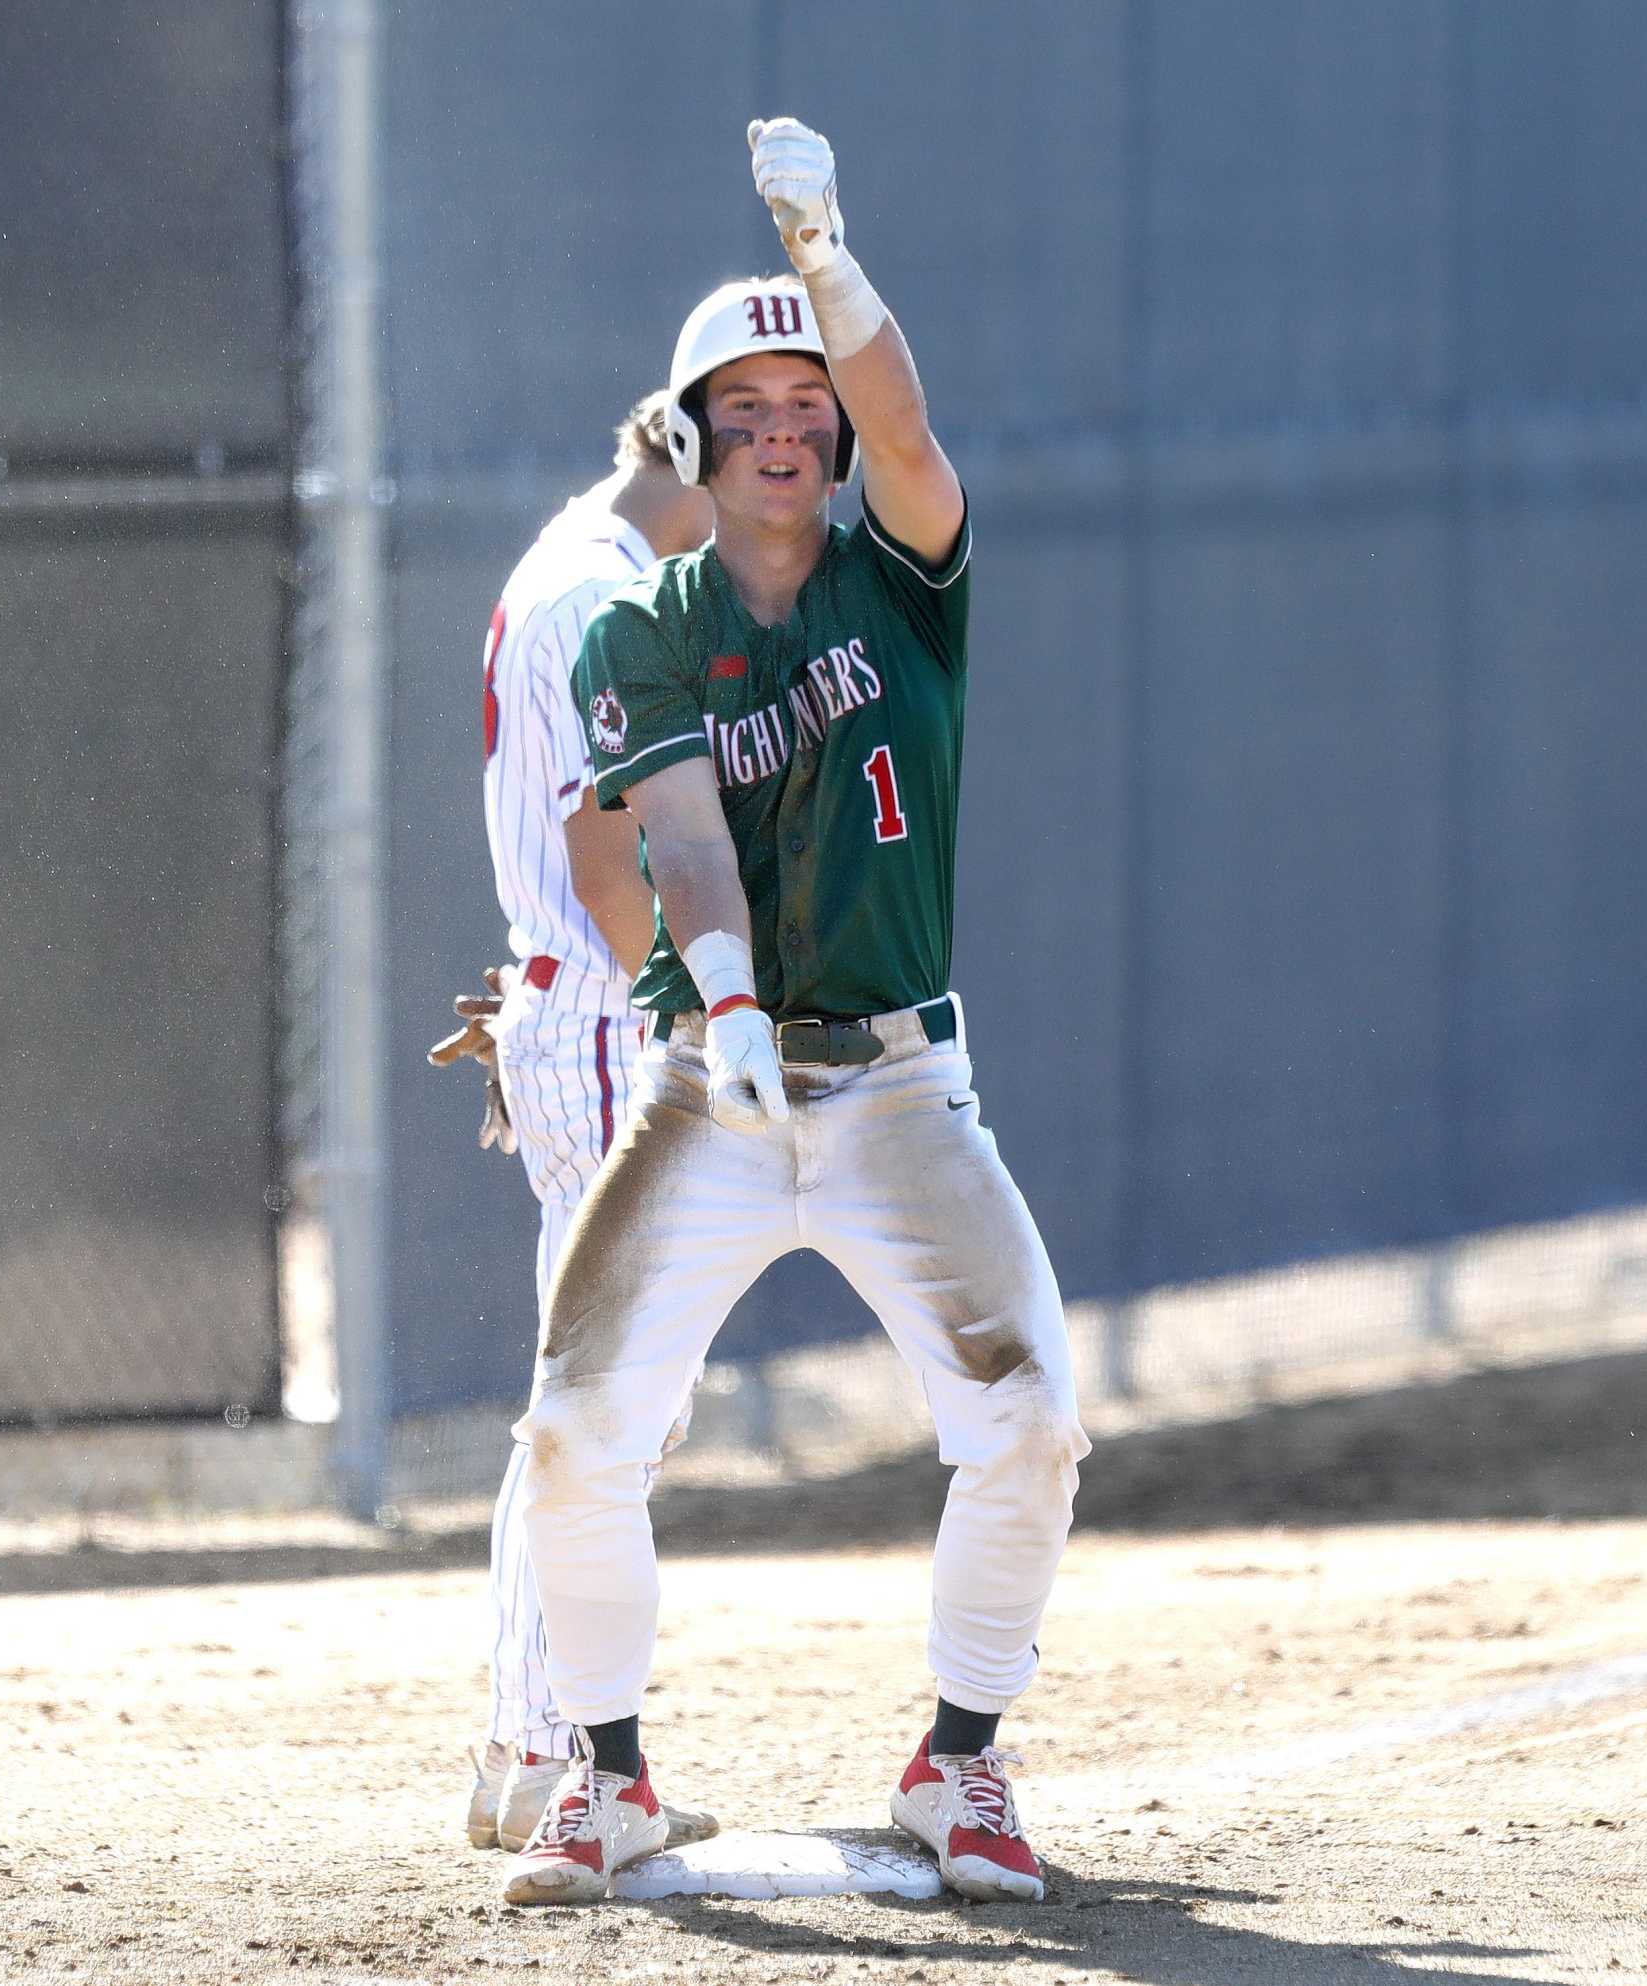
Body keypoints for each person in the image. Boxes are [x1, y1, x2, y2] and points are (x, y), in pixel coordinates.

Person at [500, 117, 1090, 1908]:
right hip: (716, 1085)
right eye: (741, 404)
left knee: (1036, 1415)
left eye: (801, 401)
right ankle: (604, 1782)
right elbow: (680, 841)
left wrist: (827, 258)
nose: (782, 426)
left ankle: (960, 1765)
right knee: (572, 1426)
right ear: (687, 434)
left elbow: (908, 428)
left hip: (904, 1083)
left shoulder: (903, 573)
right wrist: (734, 1010)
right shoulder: (641, 628)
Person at [427, 391, 717, 1859]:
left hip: (565, 1001)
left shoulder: (568, 558)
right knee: (609, 1405)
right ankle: (548, 1754)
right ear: (686, 456)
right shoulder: (605, 588)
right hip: (608, 1010)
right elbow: (616, 856)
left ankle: (522, 1741)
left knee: (589, 1400)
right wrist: (697, 999)